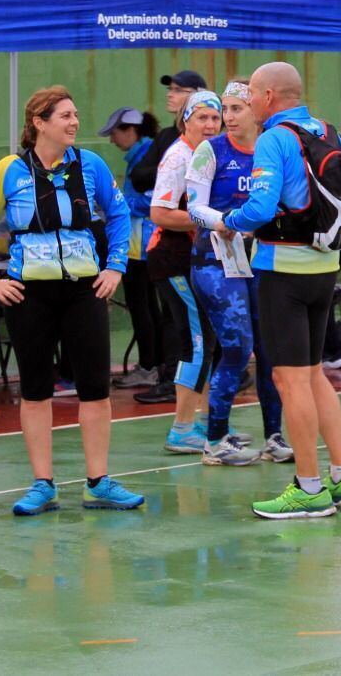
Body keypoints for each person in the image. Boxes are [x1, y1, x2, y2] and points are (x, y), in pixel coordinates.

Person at [0, 85, 143, 515]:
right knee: (36, 389)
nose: (74, 122)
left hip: (84, 291)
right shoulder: (10, 170)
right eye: (65, 115)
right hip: (29, 295)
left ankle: (98, 482)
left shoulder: (92, 165)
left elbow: (118, 215)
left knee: (95, 389)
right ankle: (42, 484)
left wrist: (115, 266)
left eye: (75, 115)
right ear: (39, 123)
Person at [208, 61, 341, 518]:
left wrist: (228, 223)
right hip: (324, 267)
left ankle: (309, 488)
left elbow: (258, 207)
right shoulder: (326, 130)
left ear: (270, 97)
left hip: (283, 272)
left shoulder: (274, 139)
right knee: (314, 375)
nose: (248, 103)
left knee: (288, 378)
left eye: (251, 95)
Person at [185, 80, 291, 466]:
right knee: (237, 345)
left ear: (256, 110)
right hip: (215, 260)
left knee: (269, 349)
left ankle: (275, 437)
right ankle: (215, 440)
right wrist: (228, 221)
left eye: (235, 109)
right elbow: (194, 207)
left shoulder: (274, 148)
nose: (227, 118)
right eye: (223, 109)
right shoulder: (209, 151)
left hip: (263, 260)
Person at [147, 91, 222, 453]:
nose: (209, 125)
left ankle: (208, 424)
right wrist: (213, 221)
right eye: (202, 118)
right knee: (196, 341)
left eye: (215, 118)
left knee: (209, 339)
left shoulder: (210, 155)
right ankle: (181, 428)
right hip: (173, 260)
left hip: (201, 260)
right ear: (186, 121)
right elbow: (159, 213)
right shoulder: (178, 157)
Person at [127, 69, 205, 403]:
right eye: (206, 117)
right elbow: (142, 178)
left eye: (178, 90)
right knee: (184, 324)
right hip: (171, 250)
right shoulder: (173, 149)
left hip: (202, 251)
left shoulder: (212, 148)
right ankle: (176, 389)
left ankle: (200, 403)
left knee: (199, 328)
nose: (170, 95)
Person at [101, 106, 165, 390]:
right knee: (148, 306)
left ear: (130, 131)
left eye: (115, 133)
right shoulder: (141, 156)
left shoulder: (148, 160)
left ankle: (150, 366)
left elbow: (153, 203)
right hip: (141, 245)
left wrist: (115, 205)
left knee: (143, 307)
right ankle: (155, 363)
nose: (112, 140)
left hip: (143, 247)